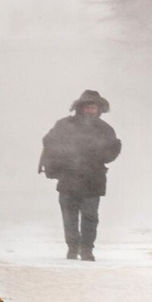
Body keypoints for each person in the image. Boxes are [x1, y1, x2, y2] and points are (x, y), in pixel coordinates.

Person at [39, 90, 121, 261]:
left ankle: (87, 249)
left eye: (94, 107)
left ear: (99, 109)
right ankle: (72, 247)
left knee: (90, 216)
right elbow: (49, 142)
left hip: (94, 179)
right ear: (80, 107)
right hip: (68, 178)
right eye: (87, 107)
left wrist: (106, 151)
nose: (90, 110)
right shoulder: (64, 125)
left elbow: (111, 153)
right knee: (69, 216)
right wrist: (54, 164)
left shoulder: (105, 129)